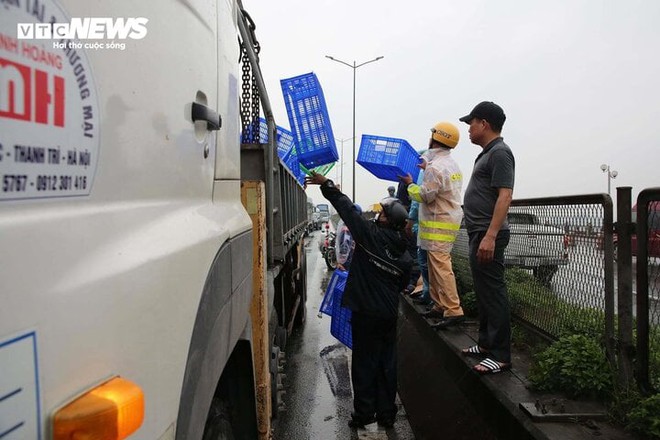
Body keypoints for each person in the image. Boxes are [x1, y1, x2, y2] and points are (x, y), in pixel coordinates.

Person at [306, 172, 412, 429]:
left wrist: (327, 186)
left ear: (388, 222)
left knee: (364, 364)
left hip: (366, 313)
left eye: (383, 214)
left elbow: (345, 208)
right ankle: (387, 414)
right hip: (388, 314)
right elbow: (401, 284)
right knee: (387, 363)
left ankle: (364, 414)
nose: (379, 215)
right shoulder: (405, 254)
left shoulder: (369, 235)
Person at [458, 101, 515, 375]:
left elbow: (505, 196)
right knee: (482, 292)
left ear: (485, 124)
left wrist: (490, 236)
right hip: (477, 231)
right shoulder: (486, 153)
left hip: (487, 233)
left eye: (472, 123)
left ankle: (501, 355)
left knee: (493, 293)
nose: (469, 128)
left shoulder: (501, 153)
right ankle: (485, 343)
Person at [400, 122, 465, 329]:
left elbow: (425, 195)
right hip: (444, 221)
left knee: (441, 267)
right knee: (435, 267)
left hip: (438, 224)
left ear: (435, 139)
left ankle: (453, 310)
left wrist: (410, 184)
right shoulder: (449, 164)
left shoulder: (435, 168)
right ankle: (439, 305)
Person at [336, 203, 362, 270]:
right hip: (347, 263)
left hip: (351, 261)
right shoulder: (347, 229)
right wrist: (342, 263)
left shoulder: (351, 226)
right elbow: (344, 247)